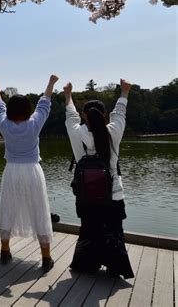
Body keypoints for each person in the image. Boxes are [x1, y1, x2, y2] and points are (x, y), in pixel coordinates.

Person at [64, 79, 134, 279]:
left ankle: (87, 265)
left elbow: (70, 115)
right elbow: (120, 113)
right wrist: (124, 92)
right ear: (104, 115)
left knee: (89, 230)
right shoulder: (114, 131)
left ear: (84, 115)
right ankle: (115, 267)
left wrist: (68, 95)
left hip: (86, 194)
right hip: (112, 193)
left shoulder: (76, 133)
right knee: (114, 231)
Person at [0, 75, 58, 272]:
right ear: (28, 110)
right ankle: (46, 257)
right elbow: (44, 104)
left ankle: (5, 251)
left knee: (8, 208)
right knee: (40, 210)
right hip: (32, 171)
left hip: (11, 170)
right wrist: (51, 83)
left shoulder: (4, 125)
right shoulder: (33, 124)